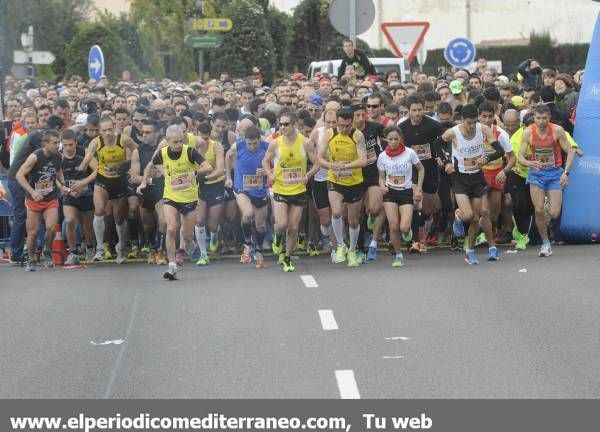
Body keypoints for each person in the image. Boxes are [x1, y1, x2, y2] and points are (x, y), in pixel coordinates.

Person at [137, 125, 213, 280]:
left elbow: (208, 166)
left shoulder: (189, 151)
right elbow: (150, 165)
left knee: (186, 236)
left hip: (189, 197)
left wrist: (194, 173)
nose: (178, 145)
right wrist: (144, 182)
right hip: (171, 196)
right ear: (167, 141)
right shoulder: (163, 153)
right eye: (175, 142)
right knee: (170, 229)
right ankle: (172, 266)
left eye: (180, 141)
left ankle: (190, 243)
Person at [440, 104, 506, 265]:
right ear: (461, 120)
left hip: (477, 178)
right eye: (468, 122)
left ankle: (470, 251)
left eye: (474, 122)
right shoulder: (453, 132)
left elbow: (500, 151)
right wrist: (446, 162)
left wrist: (486, 159)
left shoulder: (483, 129)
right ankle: (458, 217)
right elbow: (437, 145)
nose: (471, 126)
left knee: (476, 218)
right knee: (468, 215)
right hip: (460, 179)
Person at [262, 112, 319, 272]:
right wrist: (270, 174)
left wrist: (308, 175)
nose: (283, 127)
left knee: (293, 227)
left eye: (286, 124)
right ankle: (277, 238)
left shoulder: (306, 142)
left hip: (298, 189)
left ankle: (287, 257)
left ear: (295, 125)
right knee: (281, 224)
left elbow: (317, 163)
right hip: (280, 188)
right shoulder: (275, 143)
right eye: (281, 124)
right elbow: (265, 161)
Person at [79, 116, 138, 263]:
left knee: (119, 218)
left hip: (119, 180)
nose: (108, 133)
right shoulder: (96, 142)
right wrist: (82, 167)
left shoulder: (123, 140)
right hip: (103, 179)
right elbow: (86, 159)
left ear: (114, 128)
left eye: (110, 129)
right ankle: (99, 248)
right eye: (104, 130)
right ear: (100, 131)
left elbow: (137, 150)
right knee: (99, 210)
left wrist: (129, 164)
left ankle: (122, 248)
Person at [517, 104, 574, 257]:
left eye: (544, 118)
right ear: (534, 118)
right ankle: (546, 244)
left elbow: (570, 150)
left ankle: (549, 202)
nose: (541, 121)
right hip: (537, 174)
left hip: (555, 173)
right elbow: (520, 156)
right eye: (538, 118)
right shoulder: (528, 132)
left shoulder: (557, 130)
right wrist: (529, 163)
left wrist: (566, 173)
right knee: (538, 210)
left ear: (549, 118)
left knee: (554, 213)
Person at [317, 107, 367, 267]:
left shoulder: (358, 135)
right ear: (336, 123)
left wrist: (344, 167)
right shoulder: (329, 134)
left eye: (347, 125)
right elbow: (319, 158)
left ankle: (352, 250)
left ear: (352, 122)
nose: (344, 129)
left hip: (354, 182)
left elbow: (363, 160)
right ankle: (340, 245)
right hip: (335, 180)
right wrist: (332, 166)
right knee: (337, 212)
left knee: (353, 221)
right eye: (341, 126)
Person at [15, 130, 67, 271]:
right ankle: (31, 259)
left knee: (51, 228)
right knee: (33, 232)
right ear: (46, 144)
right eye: (55, 143)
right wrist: (32, 192)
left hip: (50, 197)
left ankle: (47, 250)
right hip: (33, 199)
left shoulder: (58, 157)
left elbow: (58, 172)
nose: (58, 145)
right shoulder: (35, 157)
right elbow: (19, 175)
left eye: (59, 142)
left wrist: (62, 185)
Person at [377, 126, 424, 267]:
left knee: (404, 227)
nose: (393, 142)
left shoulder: (409, 153)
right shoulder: (382, 156)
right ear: (385, 139)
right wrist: (381, 185)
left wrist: (419, 189)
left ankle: (408, 233)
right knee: (393, 226)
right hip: (390, 192)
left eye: (396, 139)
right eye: (390, 139)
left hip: (406, 191)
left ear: (401, 138)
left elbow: (421, 169)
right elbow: (381, 177)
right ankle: (398, 255)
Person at [225, 125, 269, 268]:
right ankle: (247, 244)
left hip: (260, 189)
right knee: (248, 213)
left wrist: (267, 170)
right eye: (249, 143)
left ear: (259, 139)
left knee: (260, 225)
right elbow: (228, 156)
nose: (252, 146)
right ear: (245, 140)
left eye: (255, 143)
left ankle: (259, 249)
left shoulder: (267, 146)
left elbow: (276, 163)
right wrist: (228, 176)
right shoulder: (237, 146)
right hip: (241, 187)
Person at [130, 119, 167, 265]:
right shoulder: (137, 151)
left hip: (162, 191)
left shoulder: (165, 148)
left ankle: (161, 251)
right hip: (145, 192)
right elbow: (134, 177)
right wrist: (150, 180)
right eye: (142, 132)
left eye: (148, 132)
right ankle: (152, 247)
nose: (144, 135)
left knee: (163, 221)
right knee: (148, 225)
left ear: (157, 133)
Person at [60, 129, 97, 264]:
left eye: (71, 144)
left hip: (86, 193)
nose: (68, 148)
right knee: (69, 220)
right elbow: (55, 177)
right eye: (65, 145)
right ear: (61, 144)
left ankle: (89, 248)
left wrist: (83, 183)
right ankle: (73, 252)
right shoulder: (59, 157)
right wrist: (65, 189)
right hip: (69, 195)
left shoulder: (84, 152)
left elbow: (97, 170)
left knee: (87, 225)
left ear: (76, 142)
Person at [194, 122, 225, 266]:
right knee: (199, 220)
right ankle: (203, 254)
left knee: (213, 225)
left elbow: (220, 169)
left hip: (215, 185)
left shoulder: (216, 146)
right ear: (196, 135)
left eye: (206, 139)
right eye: (201, 138)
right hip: (199, 188)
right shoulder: (191, 148)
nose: (203, 141)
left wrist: (205, 176)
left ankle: (214, 236)